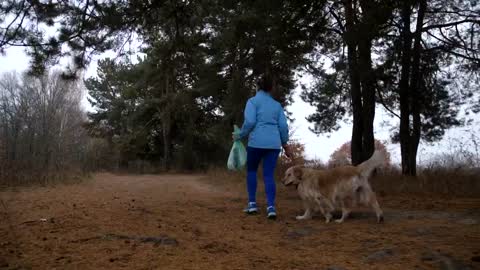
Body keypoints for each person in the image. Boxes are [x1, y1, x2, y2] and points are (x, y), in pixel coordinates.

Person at [233, 75, 292, 220]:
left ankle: (252, 204)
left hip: (256, 143)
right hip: (273, 144)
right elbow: (283, 126)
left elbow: (250, 121)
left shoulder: (252, 102)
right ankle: (271, 207)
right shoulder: (277, 105)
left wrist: (240, 135)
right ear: (271, 88)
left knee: (252, 171)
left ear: (257, 87)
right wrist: (285, 144)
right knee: (268, 175)